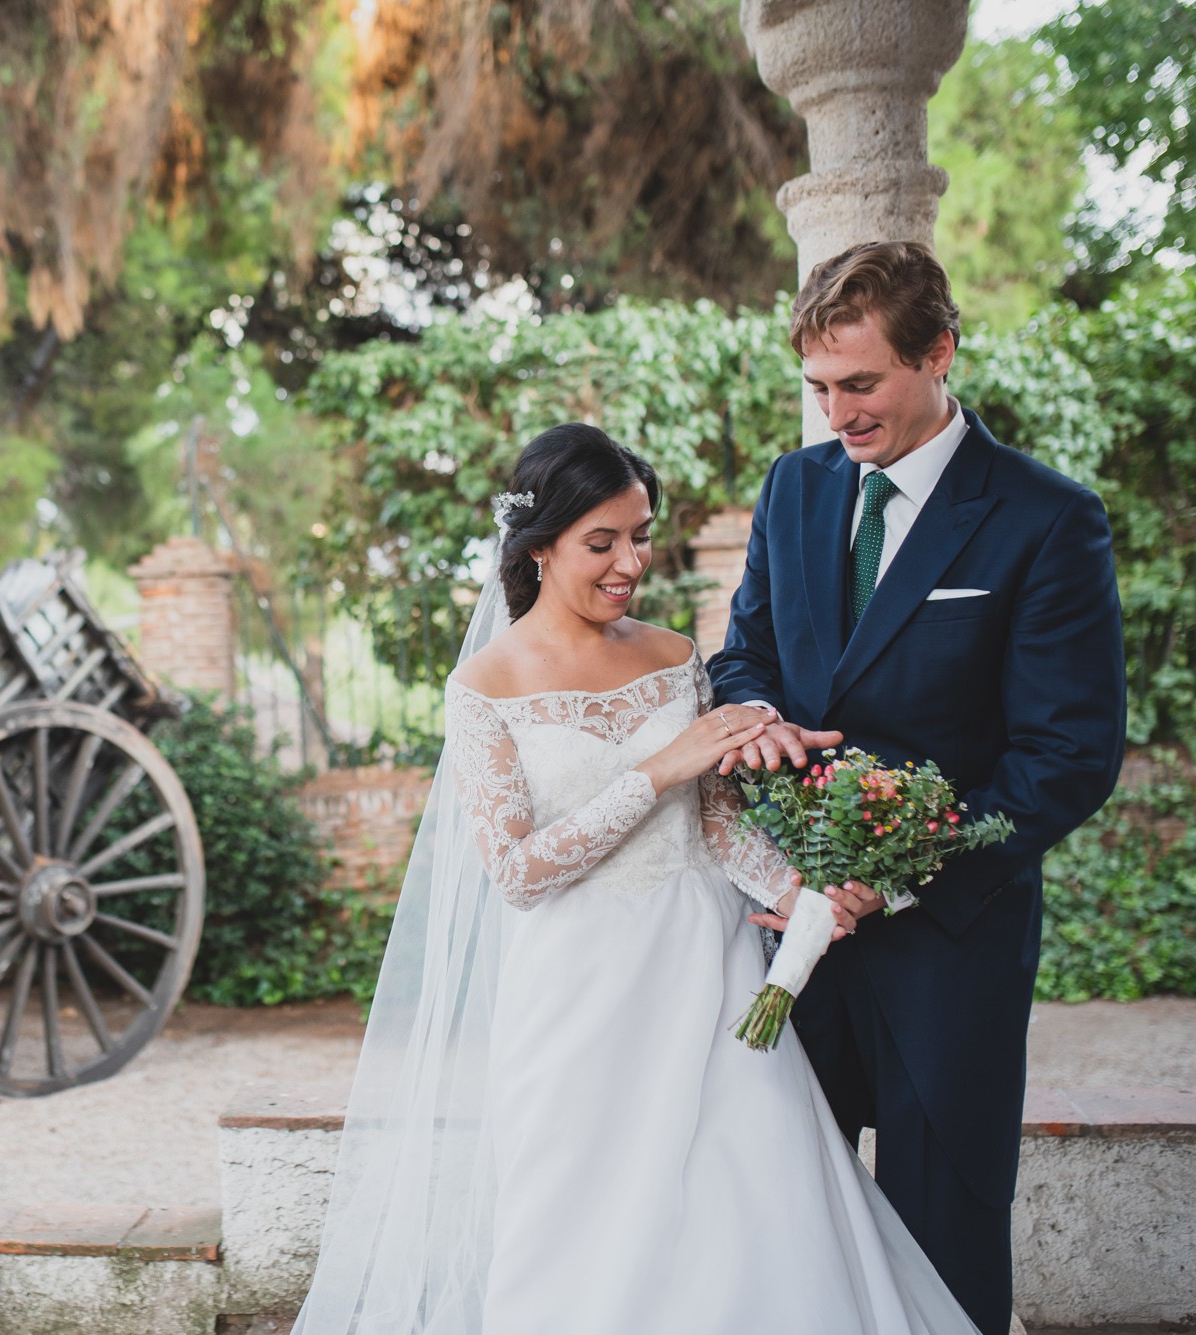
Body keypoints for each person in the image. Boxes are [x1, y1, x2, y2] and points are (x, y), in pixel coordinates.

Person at [292, 423, 982, 1335]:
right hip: (578, 993)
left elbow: (717, 824)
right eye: (602, 542)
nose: (631, 563)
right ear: (539, 548)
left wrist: (795, 894)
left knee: (751, 1202)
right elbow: (521, 871)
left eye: (643, 534)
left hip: (710, 967)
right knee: (580, 1223)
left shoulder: (672, 657)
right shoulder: (484, 688)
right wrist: (657, 768)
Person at [709, 240, 1126, 1335]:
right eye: (817, 388)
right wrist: (766, 751)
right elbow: (743, 658)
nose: (836, 414)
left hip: (951, 943)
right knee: (781, 1210)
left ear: (937, 352)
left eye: (860, 384)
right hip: (790, 920)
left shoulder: (1044, 519)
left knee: (941, 1235)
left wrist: (890, 875)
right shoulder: (792, 490)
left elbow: (1064, 756)